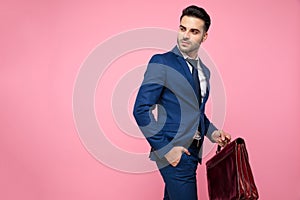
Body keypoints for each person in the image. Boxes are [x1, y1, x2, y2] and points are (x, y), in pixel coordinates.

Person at [133, 5, 231, 200]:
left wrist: (213, 133)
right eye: (182, 28)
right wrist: (166, 150)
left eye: (194, 31)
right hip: (174, 152)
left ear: (204, 37)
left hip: (193, 153)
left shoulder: (204, 71)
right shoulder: (162, 62)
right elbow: (140, 109)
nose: (185, 35)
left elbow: (196, 113)